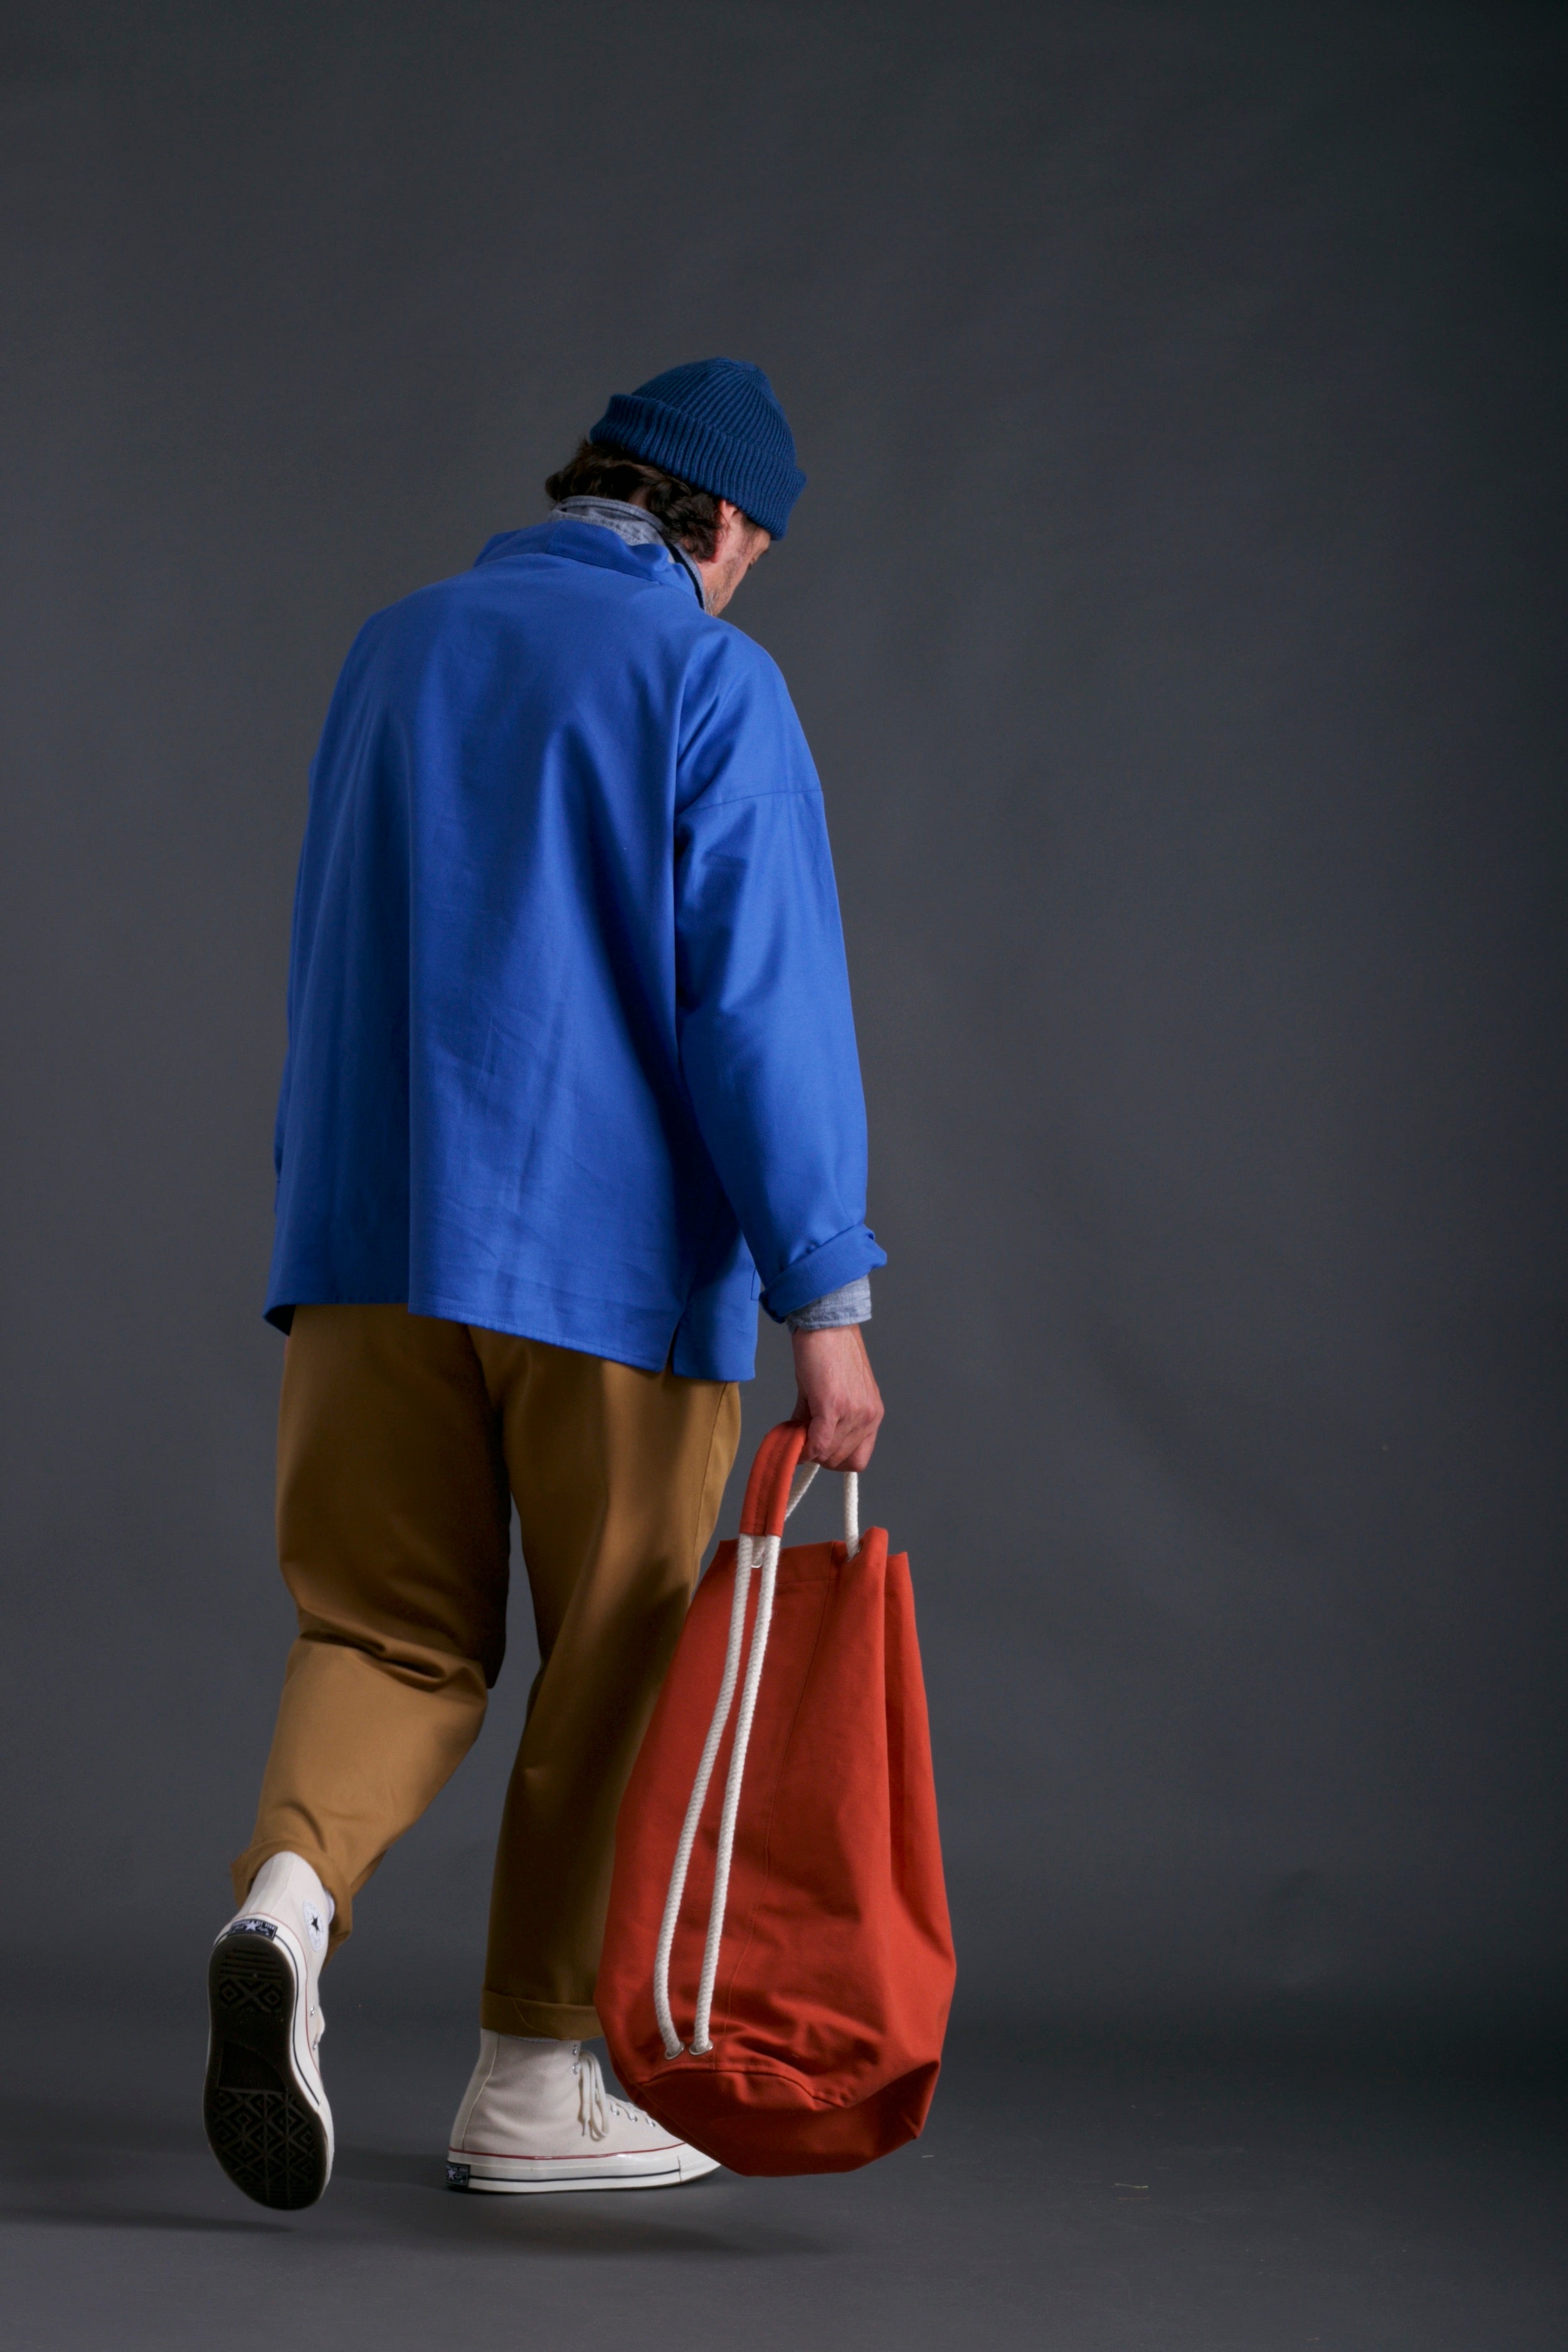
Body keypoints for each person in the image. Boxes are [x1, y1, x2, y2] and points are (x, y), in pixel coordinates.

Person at [203, 359, 886, 2211]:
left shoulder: (394, 647)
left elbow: (328, 951)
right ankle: (532, 2074)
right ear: (721, 528)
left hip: (363, 1252)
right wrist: (825, 1298)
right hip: (605, 1273)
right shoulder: (704, 677)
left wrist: (322, 1226)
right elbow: (756, 1007)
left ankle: (285, 1909)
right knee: (621, 1658)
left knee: (379, 1633)